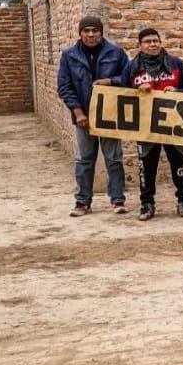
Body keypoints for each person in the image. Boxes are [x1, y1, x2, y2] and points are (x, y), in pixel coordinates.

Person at [105, 28, 183, 221]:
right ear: (140, 45)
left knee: (179, 165)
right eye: (147, 41)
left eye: (155, 41)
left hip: (174, 124)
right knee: (146, 167)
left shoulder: (176, 64)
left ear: (160, 43)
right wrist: (137, 89)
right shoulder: (132, 67)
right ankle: (147, 204)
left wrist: (176, 90)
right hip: (145, 126)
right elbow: (124, 92)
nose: (152, 44)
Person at [56, 15, 129, 217]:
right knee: (84, 160)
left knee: (114, 158)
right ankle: (82, 202)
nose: (90, 34)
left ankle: (118, 200)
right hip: (83, 117)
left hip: (110, 115)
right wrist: (78, 113)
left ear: (101, 32)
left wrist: (110, 81)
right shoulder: (69, 55)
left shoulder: (116, 53)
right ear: (80, 33)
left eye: (94, 30)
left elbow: (128, 77)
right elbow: (64, 86)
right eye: (86, 31)